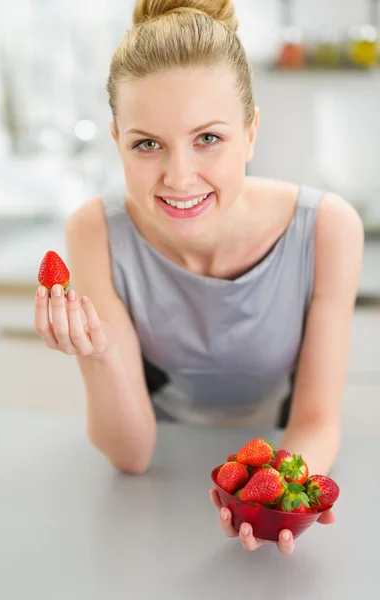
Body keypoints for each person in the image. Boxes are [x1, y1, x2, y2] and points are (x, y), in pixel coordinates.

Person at [34, 0, 364, 556]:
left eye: (208, 138)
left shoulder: (329, 228)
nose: (179, 177)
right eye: (146, 144)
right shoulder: (94, 230)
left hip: (291, 457)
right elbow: (131, 454)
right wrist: (95, 351)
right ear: (116, 140)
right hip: (153, 487)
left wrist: (277, 493)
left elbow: (315, 417)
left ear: (251, 132)